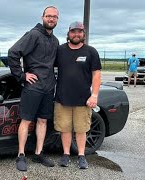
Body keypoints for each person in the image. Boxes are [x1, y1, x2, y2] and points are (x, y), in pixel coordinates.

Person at [8, 6, 59, 171]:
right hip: (33, 87)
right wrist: (22, 76)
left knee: (43, 120)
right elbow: (13, 52)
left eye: (54, 17)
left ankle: (38, 153)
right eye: (48, 16)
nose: (51, 19)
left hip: (48, 86)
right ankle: (21, 155)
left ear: (57, 20)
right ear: (43, 17)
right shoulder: (34, 34)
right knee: (27, 120)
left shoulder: (55, 41)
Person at [54, 21, 101, 169]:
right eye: (73, 32)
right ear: (68, 34)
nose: (76, 34)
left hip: (83, 100)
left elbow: (96, 74)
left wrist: (94, 95)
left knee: (81, 129)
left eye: (79, 32)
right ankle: (66, 154)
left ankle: (81, 156)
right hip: (62, 98)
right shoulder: (60, 50)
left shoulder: (91, 51)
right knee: (65, 128)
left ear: (83, 34)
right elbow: (47, 67)